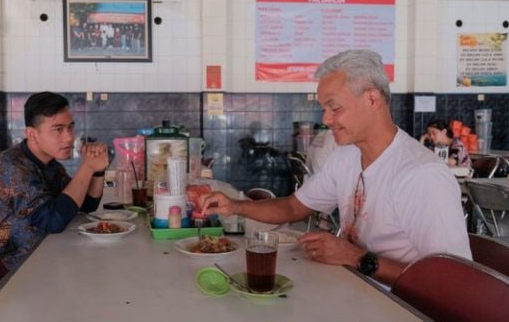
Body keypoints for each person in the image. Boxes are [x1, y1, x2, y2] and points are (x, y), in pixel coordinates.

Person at [198, 50, 471, 287]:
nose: (326, 119)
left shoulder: (421, 176)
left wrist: (354, 256)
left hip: (401, 307)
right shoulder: (347, 156)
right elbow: (294, 207)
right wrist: (234, 206)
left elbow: (454, 283)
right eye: (323, 109)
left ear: (373, 100)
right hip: (354, 290)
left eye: (334, 107)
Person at [0, 92, 109, 270]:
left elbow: (85, 204)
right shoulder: (11, 168)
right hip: (7, 275)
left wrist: (98, 171)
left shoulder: (50, 163)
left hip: (42, 260)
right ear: (32, 134)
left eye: (70, 127)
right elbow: (54, 221)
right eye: (58, 129)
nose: (69, 137)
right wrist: (87, 168)